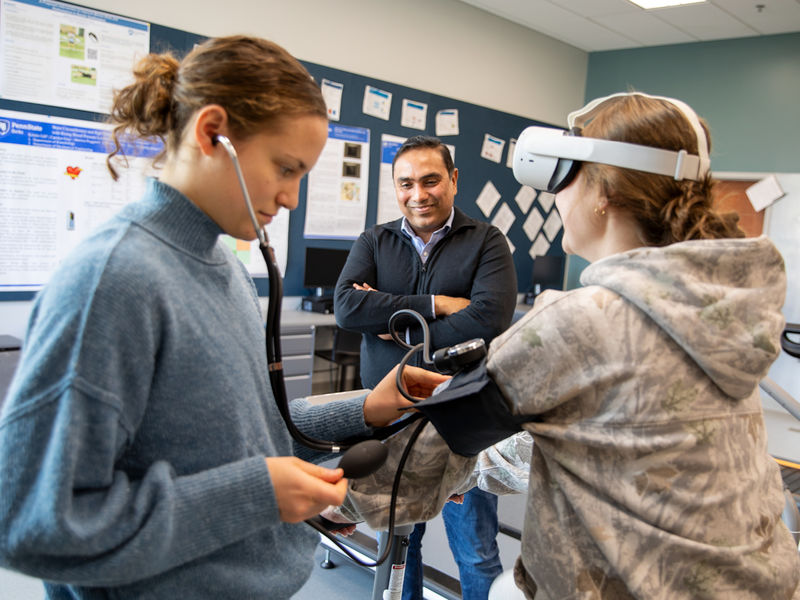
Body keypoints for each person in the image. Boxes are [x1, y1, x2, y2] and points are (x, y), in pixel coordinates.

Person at [0, 36, 446, 599]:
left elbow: (246, 430)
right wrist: (258, 496)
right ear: (212, 133)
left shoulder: (222, 265)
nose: (290, 197)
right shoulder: (114, 281)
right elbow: (32, 525)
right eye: (286, 168)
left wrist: (367, 407)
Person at [360, 92, 799, 599]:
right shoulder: (725, 311)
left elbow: (431, 451)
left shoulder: (578, 323)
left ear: (602, 191)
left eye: (564, 179)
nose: (556, 198)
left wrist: (328, 497)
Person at [333, 135, 518, 599]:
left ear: (453, 180)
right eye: (406, 183)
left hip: (459, 419)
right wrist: (435, 304)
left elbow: (488, 321)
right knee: (398, 542)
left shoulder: (488, 243)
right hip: (389, 418)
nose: (419, 194)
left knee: (474, 548)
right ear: (395, 188)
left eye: (431, 180)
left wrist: (396, 326)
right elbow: (347, 308)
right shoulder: (375, 240)